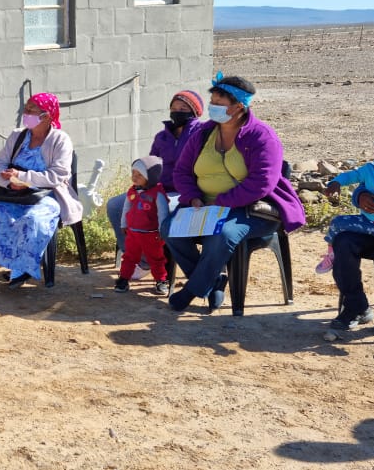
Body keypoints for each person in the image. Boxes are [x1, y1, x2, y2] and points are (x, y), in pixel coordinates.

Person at [164, 73, 305, 313]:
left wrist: (222, 202)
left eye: (220, 104)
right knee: (170, 229)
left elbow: (262, 183)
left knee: (222, 234)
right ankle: (212, 281)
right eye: (213, 103)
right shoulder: (203, 133)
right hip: (203, 206)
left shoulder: (262, 136)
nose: (213, 108)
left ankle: (192, 290)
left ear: (239, 106)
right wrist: (193, 197)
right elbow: (182, 172)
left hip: (251, 209)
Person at [0, 92, 83, 288]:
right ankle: (15, 265)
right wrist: (10, 183)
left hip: (48, 195)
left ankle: (22, 269)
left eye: (31, 110)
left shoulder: (60, 140)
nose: (26, 113)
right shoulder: (17, 136)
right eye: (26, 109)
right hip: (16, 194)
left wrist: (24, 178)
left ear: (47, 116)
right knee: (0, 211)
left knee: (33, 219)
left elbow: (58, 175)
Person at [106, 89, 204, 252]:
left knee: (153, 208)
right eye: (174, 108)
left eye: (183, 109)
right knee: (116, 205)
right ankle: (139, 259)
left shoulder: (201, 135)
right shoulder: (162, 137)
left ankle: (159, 257)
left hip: (184, 193)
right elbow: (152, 165)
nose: (177, 112)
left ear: (194, 112)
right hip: (159, 189)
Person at [314, 134, 374, 274]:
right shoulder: (369, 170)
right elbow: (350, 176)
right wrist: (336, 183)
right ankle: (332, 254)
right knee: (337, 222)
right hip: (368, 224)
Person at [114, 156, 170, 295]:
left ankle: (161, 281)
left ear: (150, 177)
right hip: (133, 233)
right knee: (129, 257)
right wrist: (123, 224)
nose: (134, 177)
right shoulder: (132, 191)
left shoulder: (157, 193)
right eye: (133, 173)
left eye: (139, 175)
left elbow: (163, 212)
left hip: (151, 234)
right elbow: (126, 207)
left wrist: (162, 229)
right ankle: (124, 279)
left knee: (156, 258)